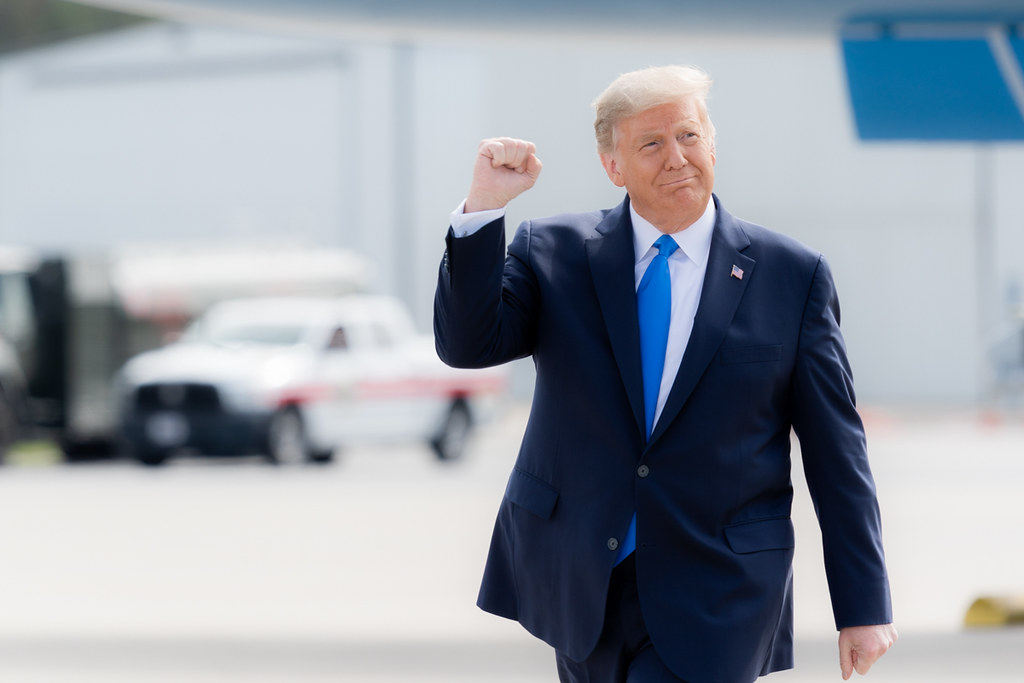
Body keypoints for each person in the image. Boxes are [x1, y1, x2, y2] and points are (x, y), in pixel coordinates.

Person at [433, 65, 896, 683]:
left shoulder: (792, 275)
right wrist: (485, 208)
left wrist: (862, 607)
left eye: (689, 136)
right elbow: (467, 345)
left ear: (712, 144)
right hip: (581, 583)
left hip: (717, 590)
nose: (677, 158)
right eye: (651, 144)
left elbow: (838, 453)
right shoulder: (554, 254)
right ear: (613, 166)